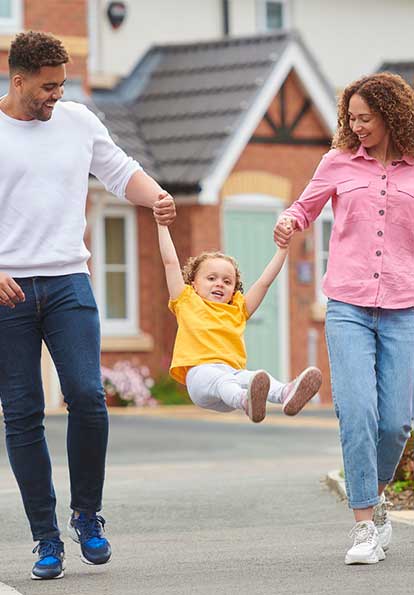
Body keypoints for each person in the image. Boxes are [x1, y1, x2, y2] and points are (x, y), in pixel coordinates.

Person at [0, 31, 175, 580]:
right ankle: (45, 539)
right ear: (18, 79)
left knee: (87, 397)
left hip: (69, 281)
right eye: (47, 87)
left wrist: (158, 195)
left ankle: (87, 516)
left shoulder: (79, 121)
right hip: (9, 293)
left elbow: (121, 172)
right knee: (24, 414)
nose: (56, 95)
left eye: (62, 84)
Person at [274, 72, 414, 565]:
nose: (356, 127)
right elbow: (304, 207)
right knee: (357, 412)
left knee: (396, 421)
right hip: (348, 307)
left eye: (366, 118)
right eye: (350, 118)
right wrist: (290, 219)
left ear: (392, 116)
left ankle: (374, 502)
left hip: (405, 309)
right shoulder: (336, 162)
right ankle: (362, 528)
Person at [155, 208, 322, 423]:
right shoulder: (186, 301)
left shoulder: (238, 309)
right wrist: (162, 225)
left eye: (227, 281)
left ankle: (285, 393)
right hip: (200, 378)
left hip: (232, 376)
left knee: (255, 376)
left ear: (234, 289)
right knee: (223, 381)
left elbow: (264, 282)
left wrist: (282, 249)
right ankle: (246, 401)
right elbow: (170, 262)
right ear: (194, 284)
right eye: (211, 278)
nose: (219, 284)